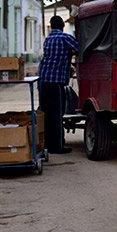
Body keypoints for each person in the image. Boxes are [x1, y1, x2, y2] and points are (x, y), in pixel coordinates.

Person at [38, 15, 79, 154]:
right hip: (56, 83)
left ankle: (47, 144)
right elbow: (81, 49)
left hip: (43, 80)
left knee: (46, 113)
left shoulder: (48, 39)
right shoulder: (65, 38)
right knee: (57, 115)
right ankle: (57, 146)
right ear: (62, 25)